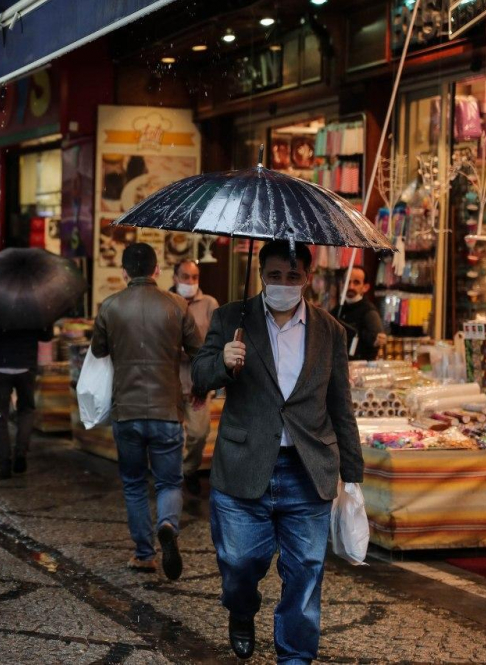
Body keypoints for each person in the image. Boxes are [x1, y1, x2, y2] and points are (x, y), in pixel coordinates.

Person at [191, 240, 364, 663]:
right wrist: (222, 364)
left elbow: (340, 405)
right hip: (243, 465)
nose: (282, 284)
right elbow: (198, 374)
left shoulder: (330, 330)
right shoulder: (231, 317)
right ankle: (241, 608)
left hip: (307, 469)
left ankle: (294, 656)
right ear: (261, 275)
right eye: (273, 276)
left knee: (306, 571)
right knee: (239, 560)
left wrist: (353, 473)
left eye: (291, 277)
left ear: (306, 277)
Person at [90, 243, 200, 580]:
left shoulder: (110, 306)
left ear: (124, 272)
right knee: (169, 481)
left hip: (128, 412)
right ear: (157, 271)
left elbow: (98, 349)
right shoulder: (178, 305)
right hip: (167, 409)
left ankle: (144, 554)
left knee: (134, 484)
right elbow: (198, 348)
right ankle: (167, 522)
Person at [169, 259, 219, 494]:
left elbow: (216, 340)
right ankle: (169, 475)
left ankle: (188, 470)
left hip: (199, 382)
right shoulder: (164, 301)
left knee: (199, 434)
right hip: (169, 382)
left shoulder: (209, 304)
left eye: (194, 277)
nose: (190, 282)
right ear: (174, 277)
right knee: (169, 434)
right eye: (185, 277)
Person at [0, 320, 53, 479]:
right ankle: (21, 453)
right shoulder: (32, 309)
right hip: (26, 366)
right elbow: (46, 336)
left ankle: (4, 462)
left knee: (0, 416)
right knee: (26, 410)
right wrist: (46, 321)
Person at [336, 266, 386, 361]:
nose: (351, 287)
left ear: (365, 287)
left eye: (356, 282)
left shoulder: (369, 312)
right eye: (348, 282)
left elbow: (378, 341)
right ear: (342, 284)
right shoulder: (338, 309)